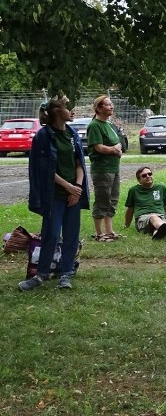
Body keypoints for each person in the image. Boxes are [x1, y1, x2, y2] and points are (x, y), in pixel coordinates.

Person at [20, 96, 89, 291]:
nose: (72, 111)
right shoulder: (44, 136)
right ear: (58, 112)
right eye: (68, 107)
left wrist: (77, 188)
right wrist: (68, 187)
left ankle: (65, 274)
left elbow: (80, 164)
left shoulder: (73, 134)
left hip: (73, 193)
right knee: (50, 234)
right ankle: (41, 274)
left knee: (71, 235)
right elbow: (45, 170)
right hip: (54, 194)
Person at [87, 95, 124, 242]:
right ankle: (99, 233)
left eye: (111, 104)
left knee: (112, 199)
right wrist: (114, 150)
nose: (112, 107)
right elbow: (98, 147)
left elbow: (118, 142)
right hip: (102, 169)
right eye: (108, 105)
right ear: (99, 108)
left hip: (114, 168)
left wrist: (118, 148)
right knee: (102, 199)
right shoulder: (95, 125)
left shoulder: (109, 125)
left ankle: (110, 231)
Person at [124, 166, 166, 239]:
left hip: (160, 217)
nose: (148, 176)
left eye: (150, 174)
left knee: (157, 224)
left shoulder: (161, 188)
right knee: (153, 217)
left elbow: (165, 206)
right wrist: (127, 225)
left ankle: (157, 234)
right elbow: (130, 209)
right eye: (144, 175)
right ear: (139, 180)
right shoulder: (134, 190)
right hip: (143, 218)